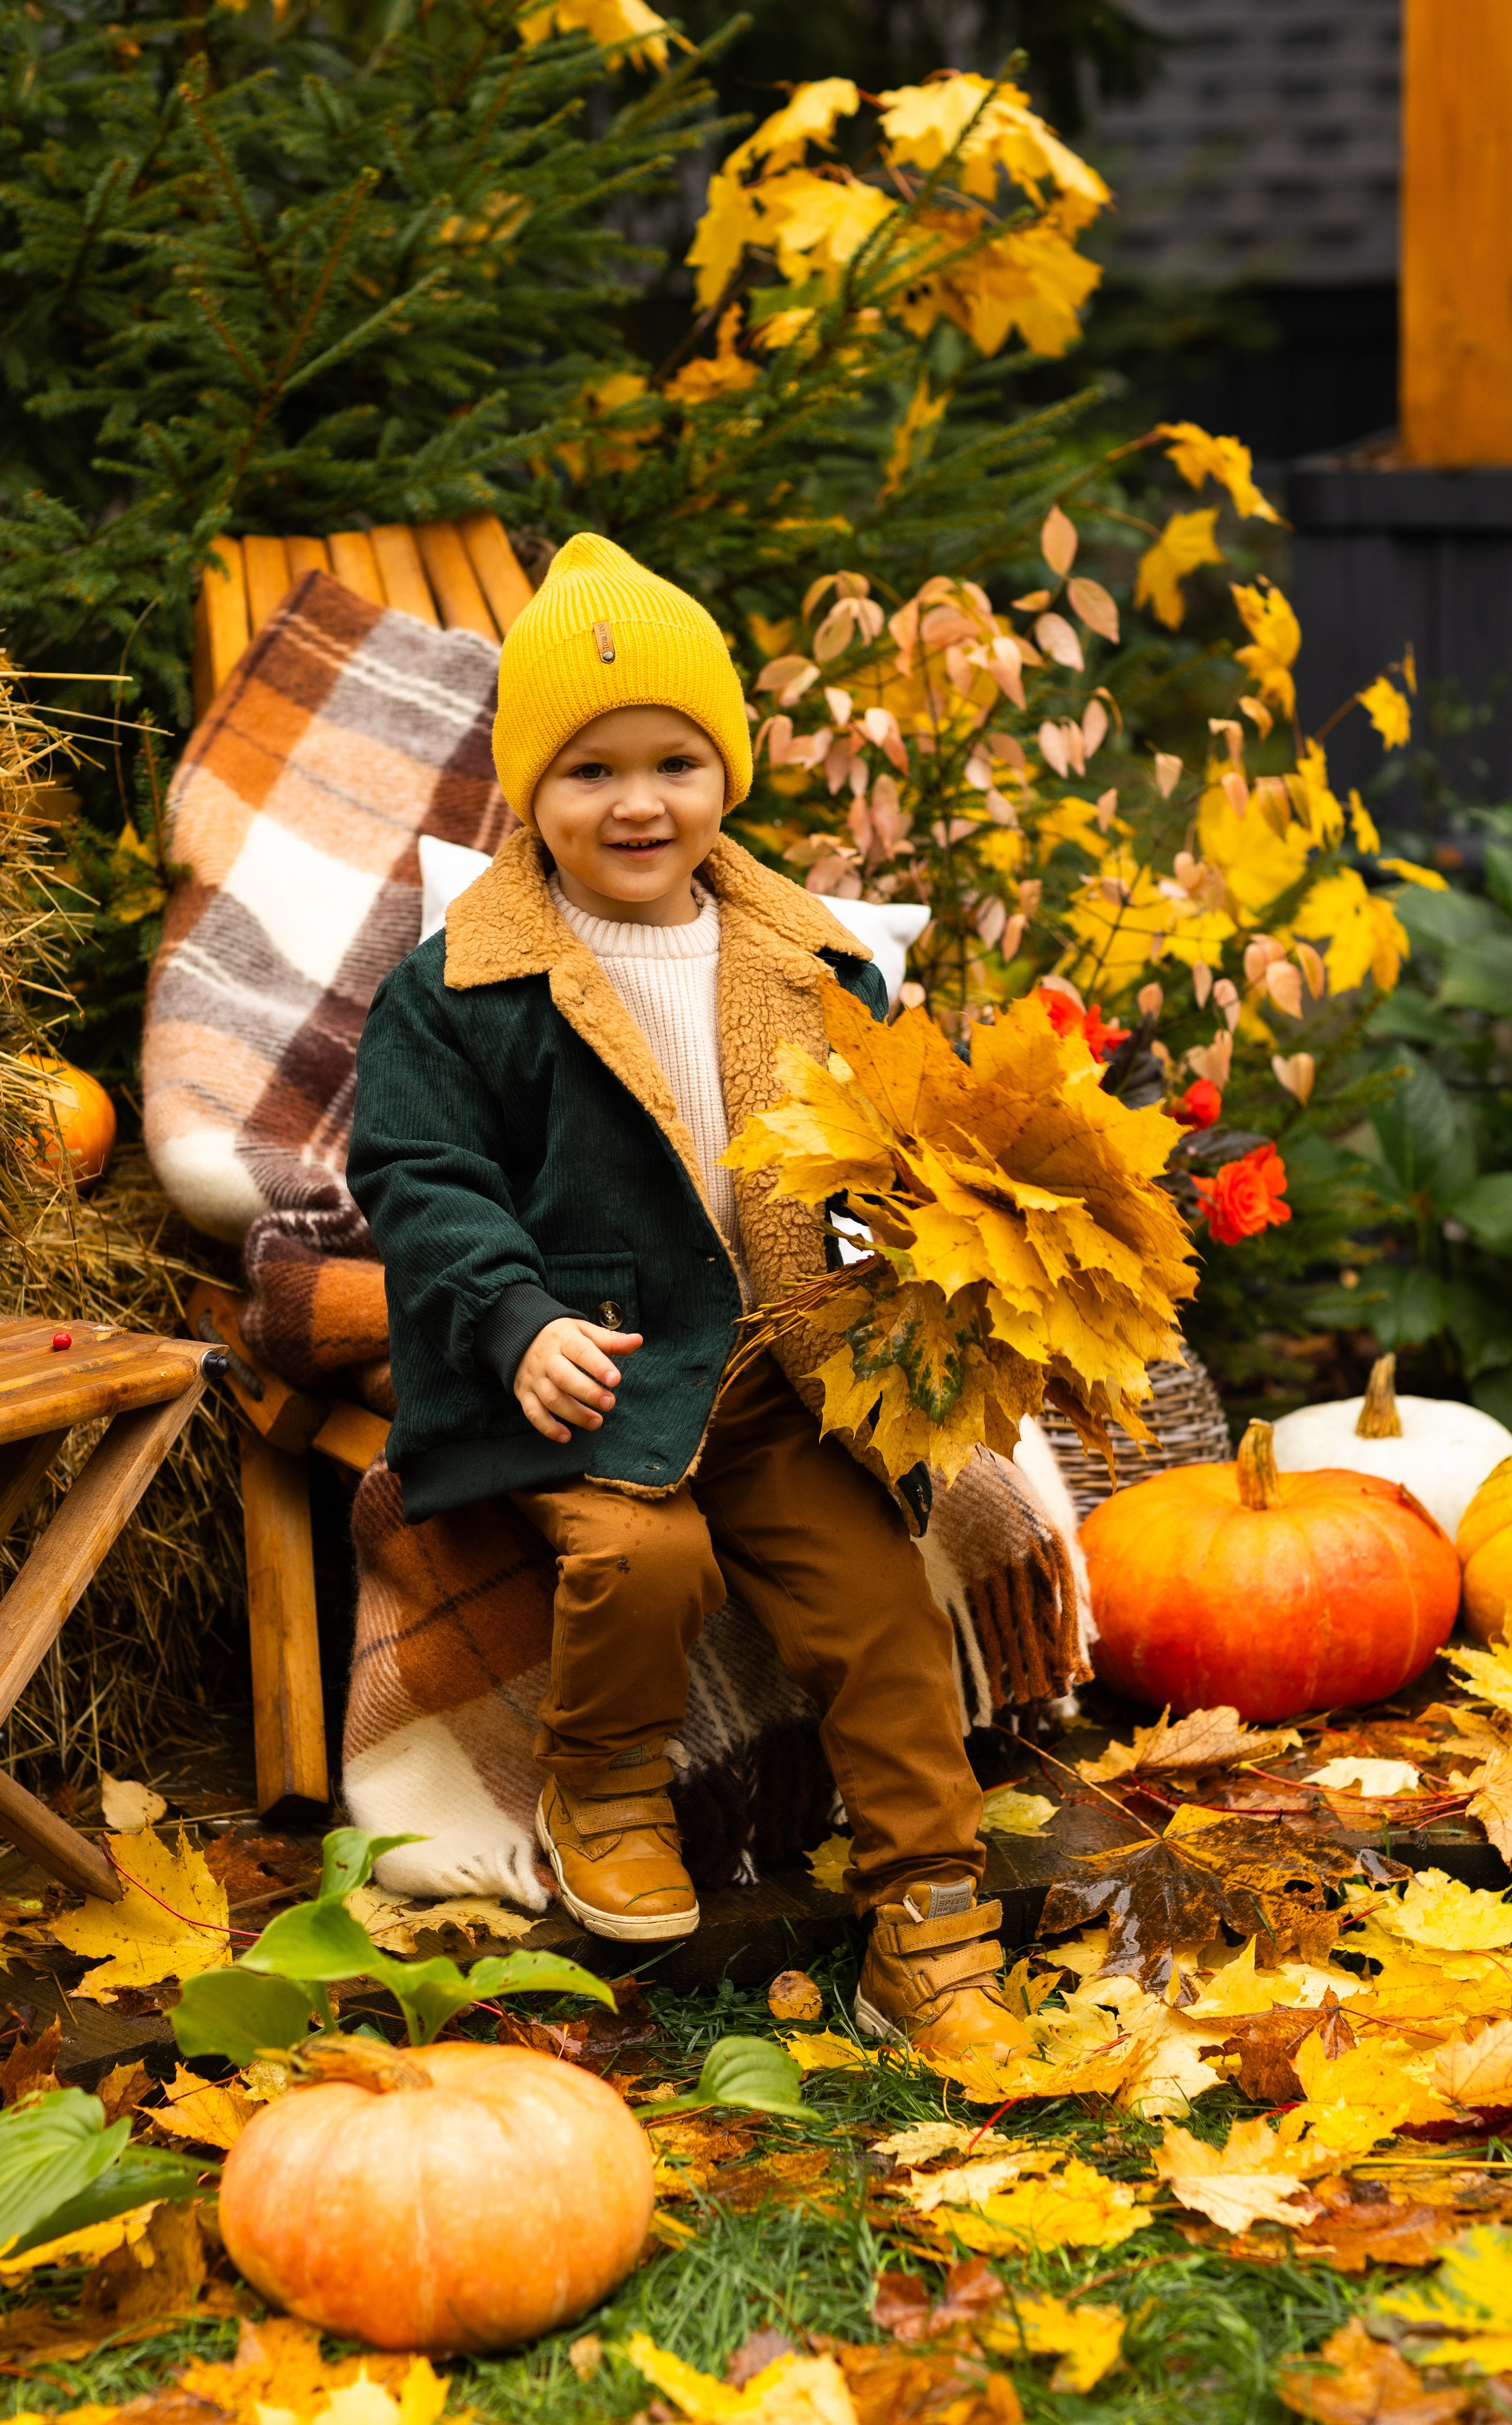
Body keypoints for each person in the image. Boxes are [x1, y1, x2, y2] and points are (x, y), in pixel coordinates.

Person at [347, 533, 1035, 2058]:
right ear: (528, 791)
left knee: (877, 1617)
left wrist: (930, 1269)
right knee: (641, 1560)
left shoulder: (815, 961)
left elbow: (880, 1162)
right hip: (587, 1371)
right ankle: (601, 1781)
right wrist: (515, 1321)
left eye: (673, 761)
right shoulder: (463, 983)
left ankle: (929, 1921)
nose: (639, 802)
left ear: (725, 775)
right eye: (590, 771)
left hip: (781, 1373)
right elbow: (417, 1173)